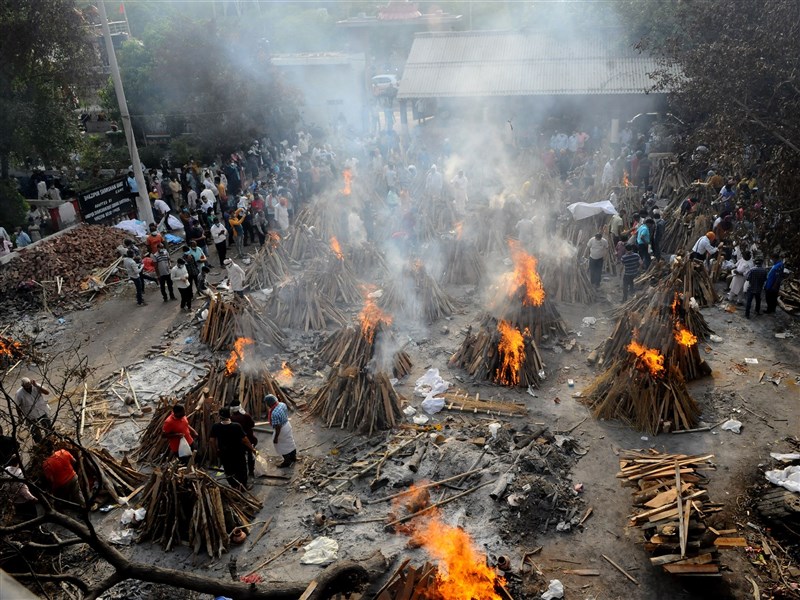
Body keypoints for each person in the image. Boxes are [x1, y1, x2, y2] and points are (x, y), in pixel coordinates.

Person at [210, 407, 257, 490]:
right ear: (230, 415)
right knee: (241, 469)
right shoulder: (236, 426)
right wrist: (252, 449)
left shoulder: (216, 427)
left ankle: (234, 486)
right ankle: (243, 486)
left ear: (219, 416)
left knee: (228, 469)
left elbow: (212, 440)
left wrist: (216, 451)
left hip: (224, 453)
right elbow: (245, 440)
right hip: (238, 452)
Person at [14, 378, 51, 442]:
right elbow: (17, 406)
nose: (28, 389)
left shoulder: (36, 386)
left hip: (42, 411)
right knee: (36, 434)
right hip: (30, 415)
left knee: (48, 428)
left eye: (29, 387)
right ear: (23, 386)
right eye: (26, 388)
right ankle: (40, 444)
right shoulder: (19, 394)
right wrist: (20, 417)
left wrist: (36, 385)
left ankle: (50, 440)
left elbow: (47, 392)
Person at [265, 394, 296, 468]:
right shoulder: (282, 404)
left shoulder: (274, 413)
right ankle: (293, 457)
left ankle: (287, 461)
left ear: (269, 403)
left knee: (280, 445)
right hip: (287, 425)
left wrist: (276, 438)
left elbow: (277, 427)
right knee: (290, 441)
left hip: (281, 429)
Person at [229, 399, 257, 477]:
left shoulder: (231, 418)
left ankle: (241, 471)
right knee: (250, 454)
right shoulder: (246, 416)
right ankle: (251, 471)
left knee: (241, 456)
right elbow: (252, 425)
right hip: (249, 438)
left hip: (237, 441)